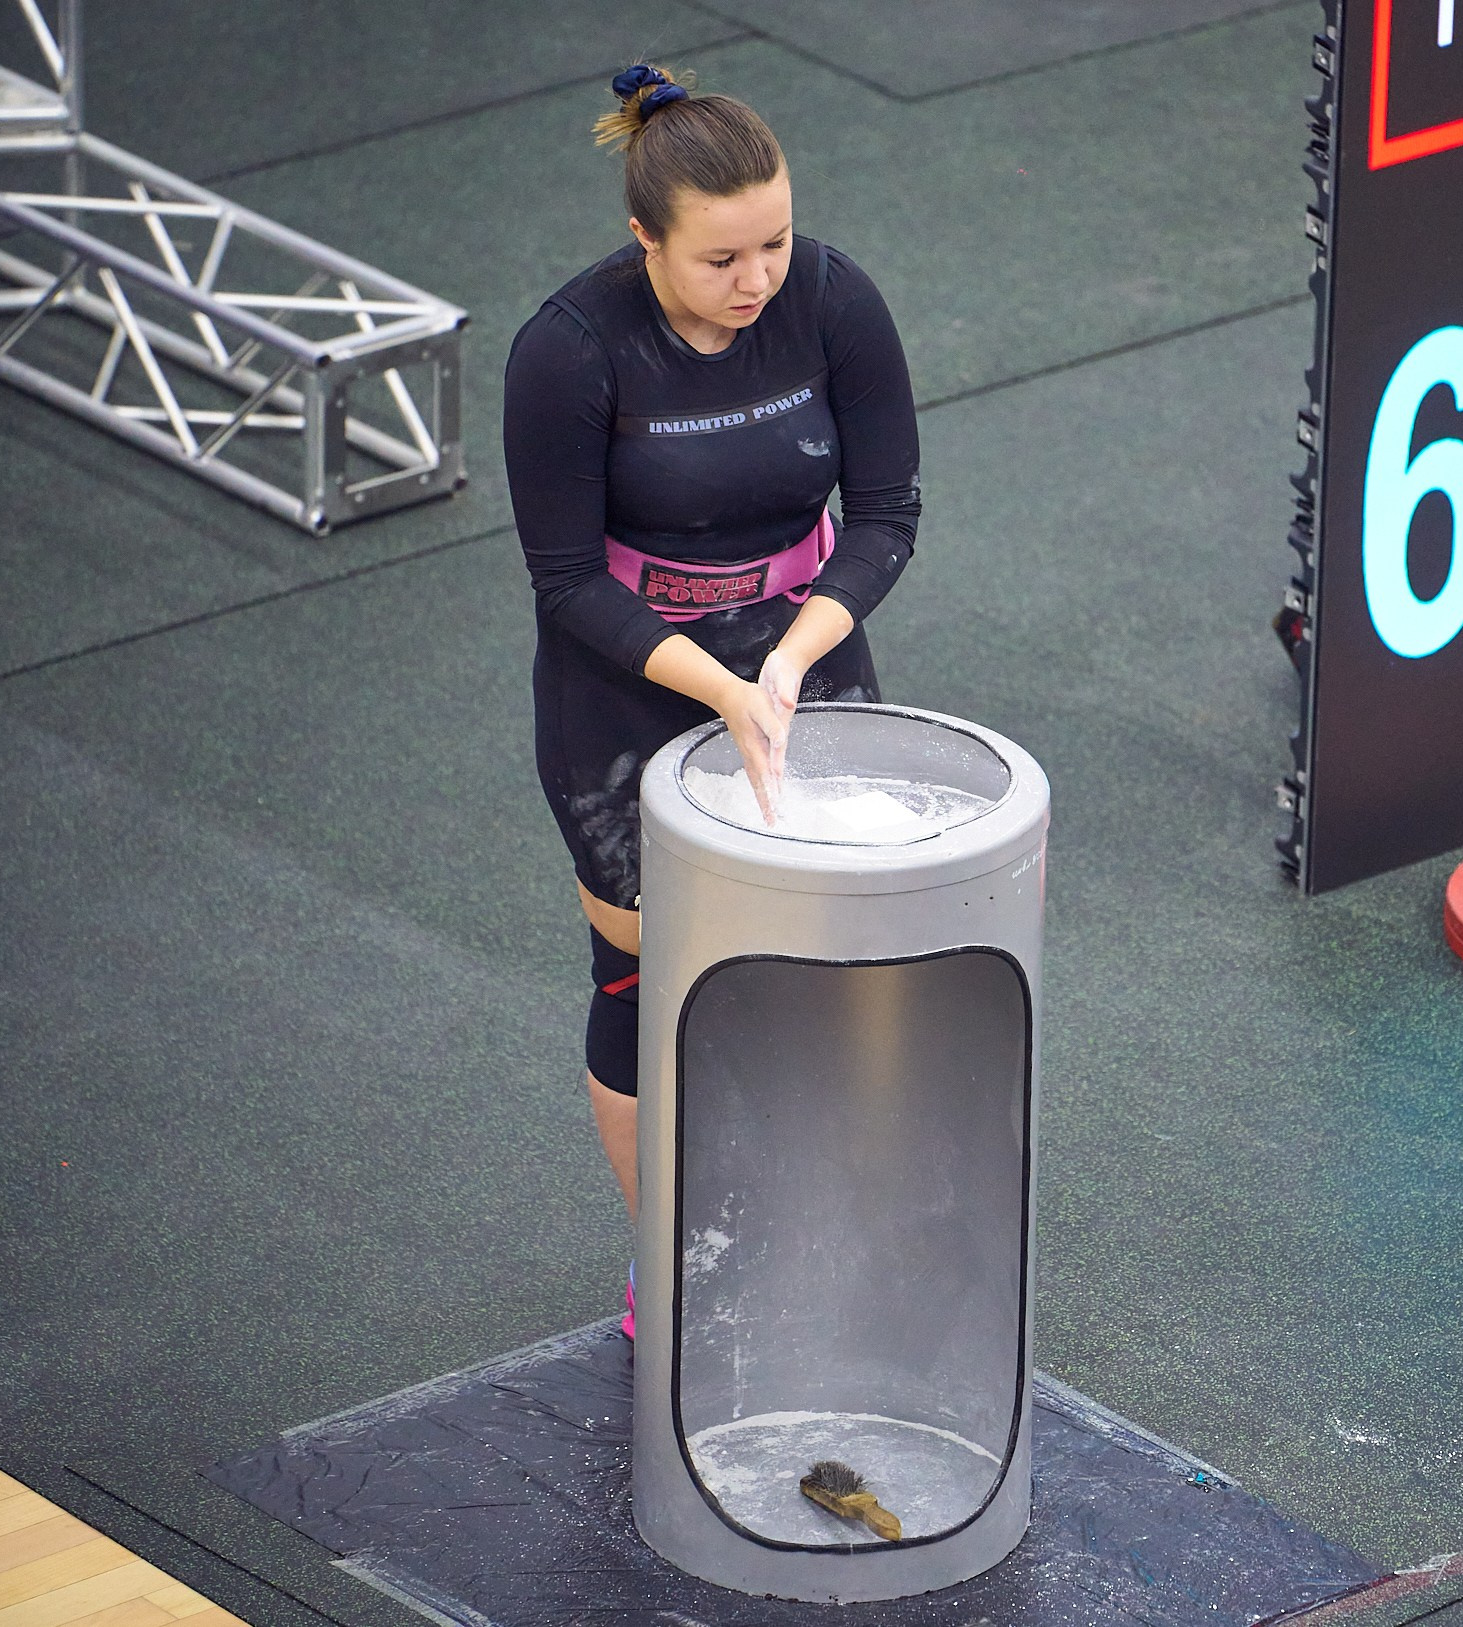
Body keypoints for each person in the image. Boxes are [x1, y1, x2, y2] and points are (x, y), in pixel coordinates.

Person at [503, 64, 921, 1332]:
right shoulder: (566, 352)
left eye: (775, 244)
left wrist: (789, 662)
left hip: (800, 646)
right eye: (721, 258)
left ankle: (819, 1220)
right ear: (645, 241)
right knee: (646, 974)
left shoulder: (836, 302)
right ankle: (674, 1262)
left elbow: (888, 514)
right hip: (626, 681)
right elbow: (568, 581)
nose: (757, 281)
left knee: (824, 963)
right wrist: (716, 689)